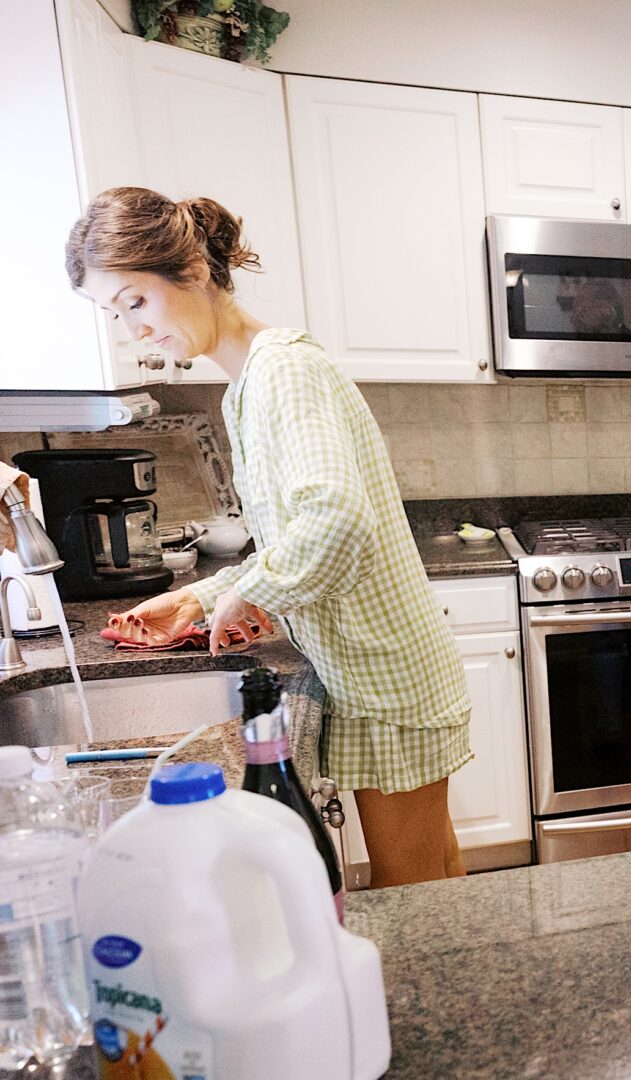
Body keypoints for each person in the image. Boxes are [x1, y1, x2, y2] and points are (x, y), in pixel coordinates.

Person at [65, 187, 472, 886]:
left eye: (134, 301)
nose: (133, 331)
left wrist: (244, 591)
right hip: (379, 671)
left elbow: (335, 520)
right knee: (436, 875)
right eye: (114, 313)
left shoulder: (282, 369)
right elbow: (298, 535)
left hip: (386, 680)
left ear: (190, 271)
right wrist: (200, 596)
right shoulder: (252, 380)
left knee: (416, 897)